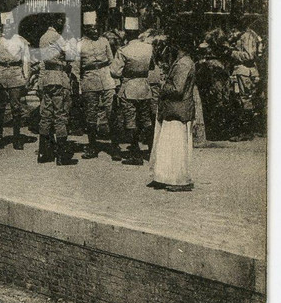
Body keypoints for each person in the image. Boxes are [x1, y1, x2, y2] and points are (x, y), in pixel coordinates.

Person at [150, 28, 197, 192]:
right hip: (175, 109)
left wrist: (162, 86)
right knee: (169, 144)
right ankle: (165, 177)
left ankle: (180, 180)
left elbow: (177, 89)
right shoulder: (182, 61)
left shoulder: (183, 63)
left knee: (176, 146)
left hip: (178, 109)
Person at [110, 24, 156, 166]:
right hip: (144, 87)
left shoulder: (124, 50)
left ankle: (135, 154)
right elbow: (152, 66)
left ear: (127, 34)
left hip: (129, 87)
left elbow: (115, 72)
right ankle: (152, 152)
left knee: (130, 121)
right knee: (146, 120)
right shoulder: (148, 48)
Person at [34, 17, 78, 166]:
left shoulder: (43, 37)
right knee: (60, 115)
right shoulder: (57, 37)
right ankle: (62, 156)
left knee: (46, 115)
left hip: (47, 78)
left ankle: (44, 153)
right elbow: (71, 55)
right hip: (59, 78)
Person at [77, 11, 117, 159]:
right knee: (91, 114)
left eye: (96, 27)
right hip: (89, 80)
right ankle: (92, 146)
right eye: (91, 28)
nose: (94, 30)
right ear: (85, 28)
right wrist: (79, 85)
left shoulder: (104, 41)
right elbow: (76, 67)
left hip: (107, 79)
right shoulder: (80, 44)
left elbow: (111, 61)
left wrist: (115, 81)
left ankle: (115, 147)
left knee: (111, 112)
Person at [0, 12, 31, 151]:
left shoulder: (21, 41)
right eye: (5, 26)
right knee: (0, 107)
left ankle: (17, 138)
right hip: (1, 75)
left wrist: (26, 78)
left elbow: (26, 61)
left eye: (10, 26)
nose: (8, 29)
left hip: (15, 75)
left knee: (16, 107)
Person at [228, 17, 262, 141]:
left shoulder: (247, 36)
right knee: (241, 100)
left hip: (245, 72)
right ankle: (244, 131)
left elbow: (249, 55)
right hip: (242, 71)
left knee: (245, 101)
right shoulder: (244, 35)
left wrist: (231, 53)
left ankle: (246, 132)